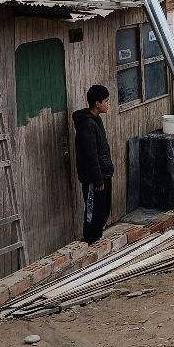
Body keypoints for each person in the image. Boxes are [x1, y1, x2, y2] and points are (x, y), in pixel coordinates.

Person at [73, 85, 114, 244]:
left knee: (103, 210)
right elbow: (90, 155)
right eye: (106, 101)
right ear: (97, 103)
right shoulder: (87, 124)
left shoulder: (96, 119)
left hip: (103, 174)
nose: (107, 104)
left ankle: (96, 241)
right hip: (94, 178)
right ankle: (90, 241)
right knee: (93, 212)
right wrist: (97, 180)